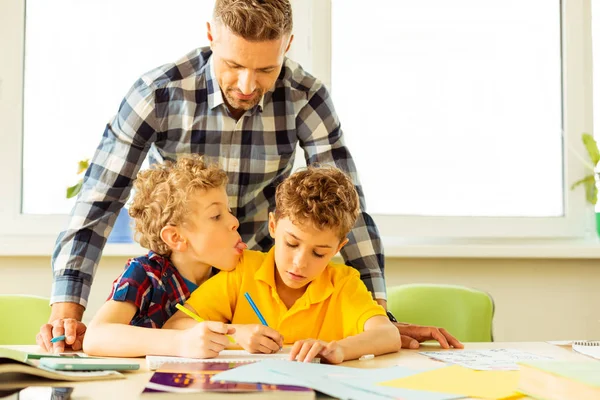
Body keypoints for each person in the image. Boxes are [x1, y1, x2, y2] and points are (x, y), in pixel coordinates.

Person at [39, 0, 461, 353]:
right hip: (184, 291)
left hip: (257, 287)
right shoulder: (159, 93)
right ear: (211, 36)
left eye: (265, 70)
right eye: (234, 64)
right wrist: (66, 312)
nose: (246, 84)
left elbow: (347, 206)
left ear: (288, 47)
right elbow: (100, 200)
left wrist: (379, 316)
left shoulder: (306, 97)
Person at [164, 166, 402, 364]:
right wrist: (236, 334)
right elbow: (175, 326)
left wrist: (339, 349)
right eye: (291, 243)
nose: (300, 264)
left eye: (319, 254)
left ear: (338, 248)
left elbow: (387, 334)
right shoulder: (243, 270)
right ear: (273, 226)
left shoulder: (342, 283)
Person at [48, 155, 245, 357]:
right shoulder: (145, 274)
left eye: (229, 211)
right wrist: (181, 342)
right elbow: (96, 336)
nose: (234, 221)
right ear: (176, 237)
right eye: (216, 216)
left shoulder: (232, 277)